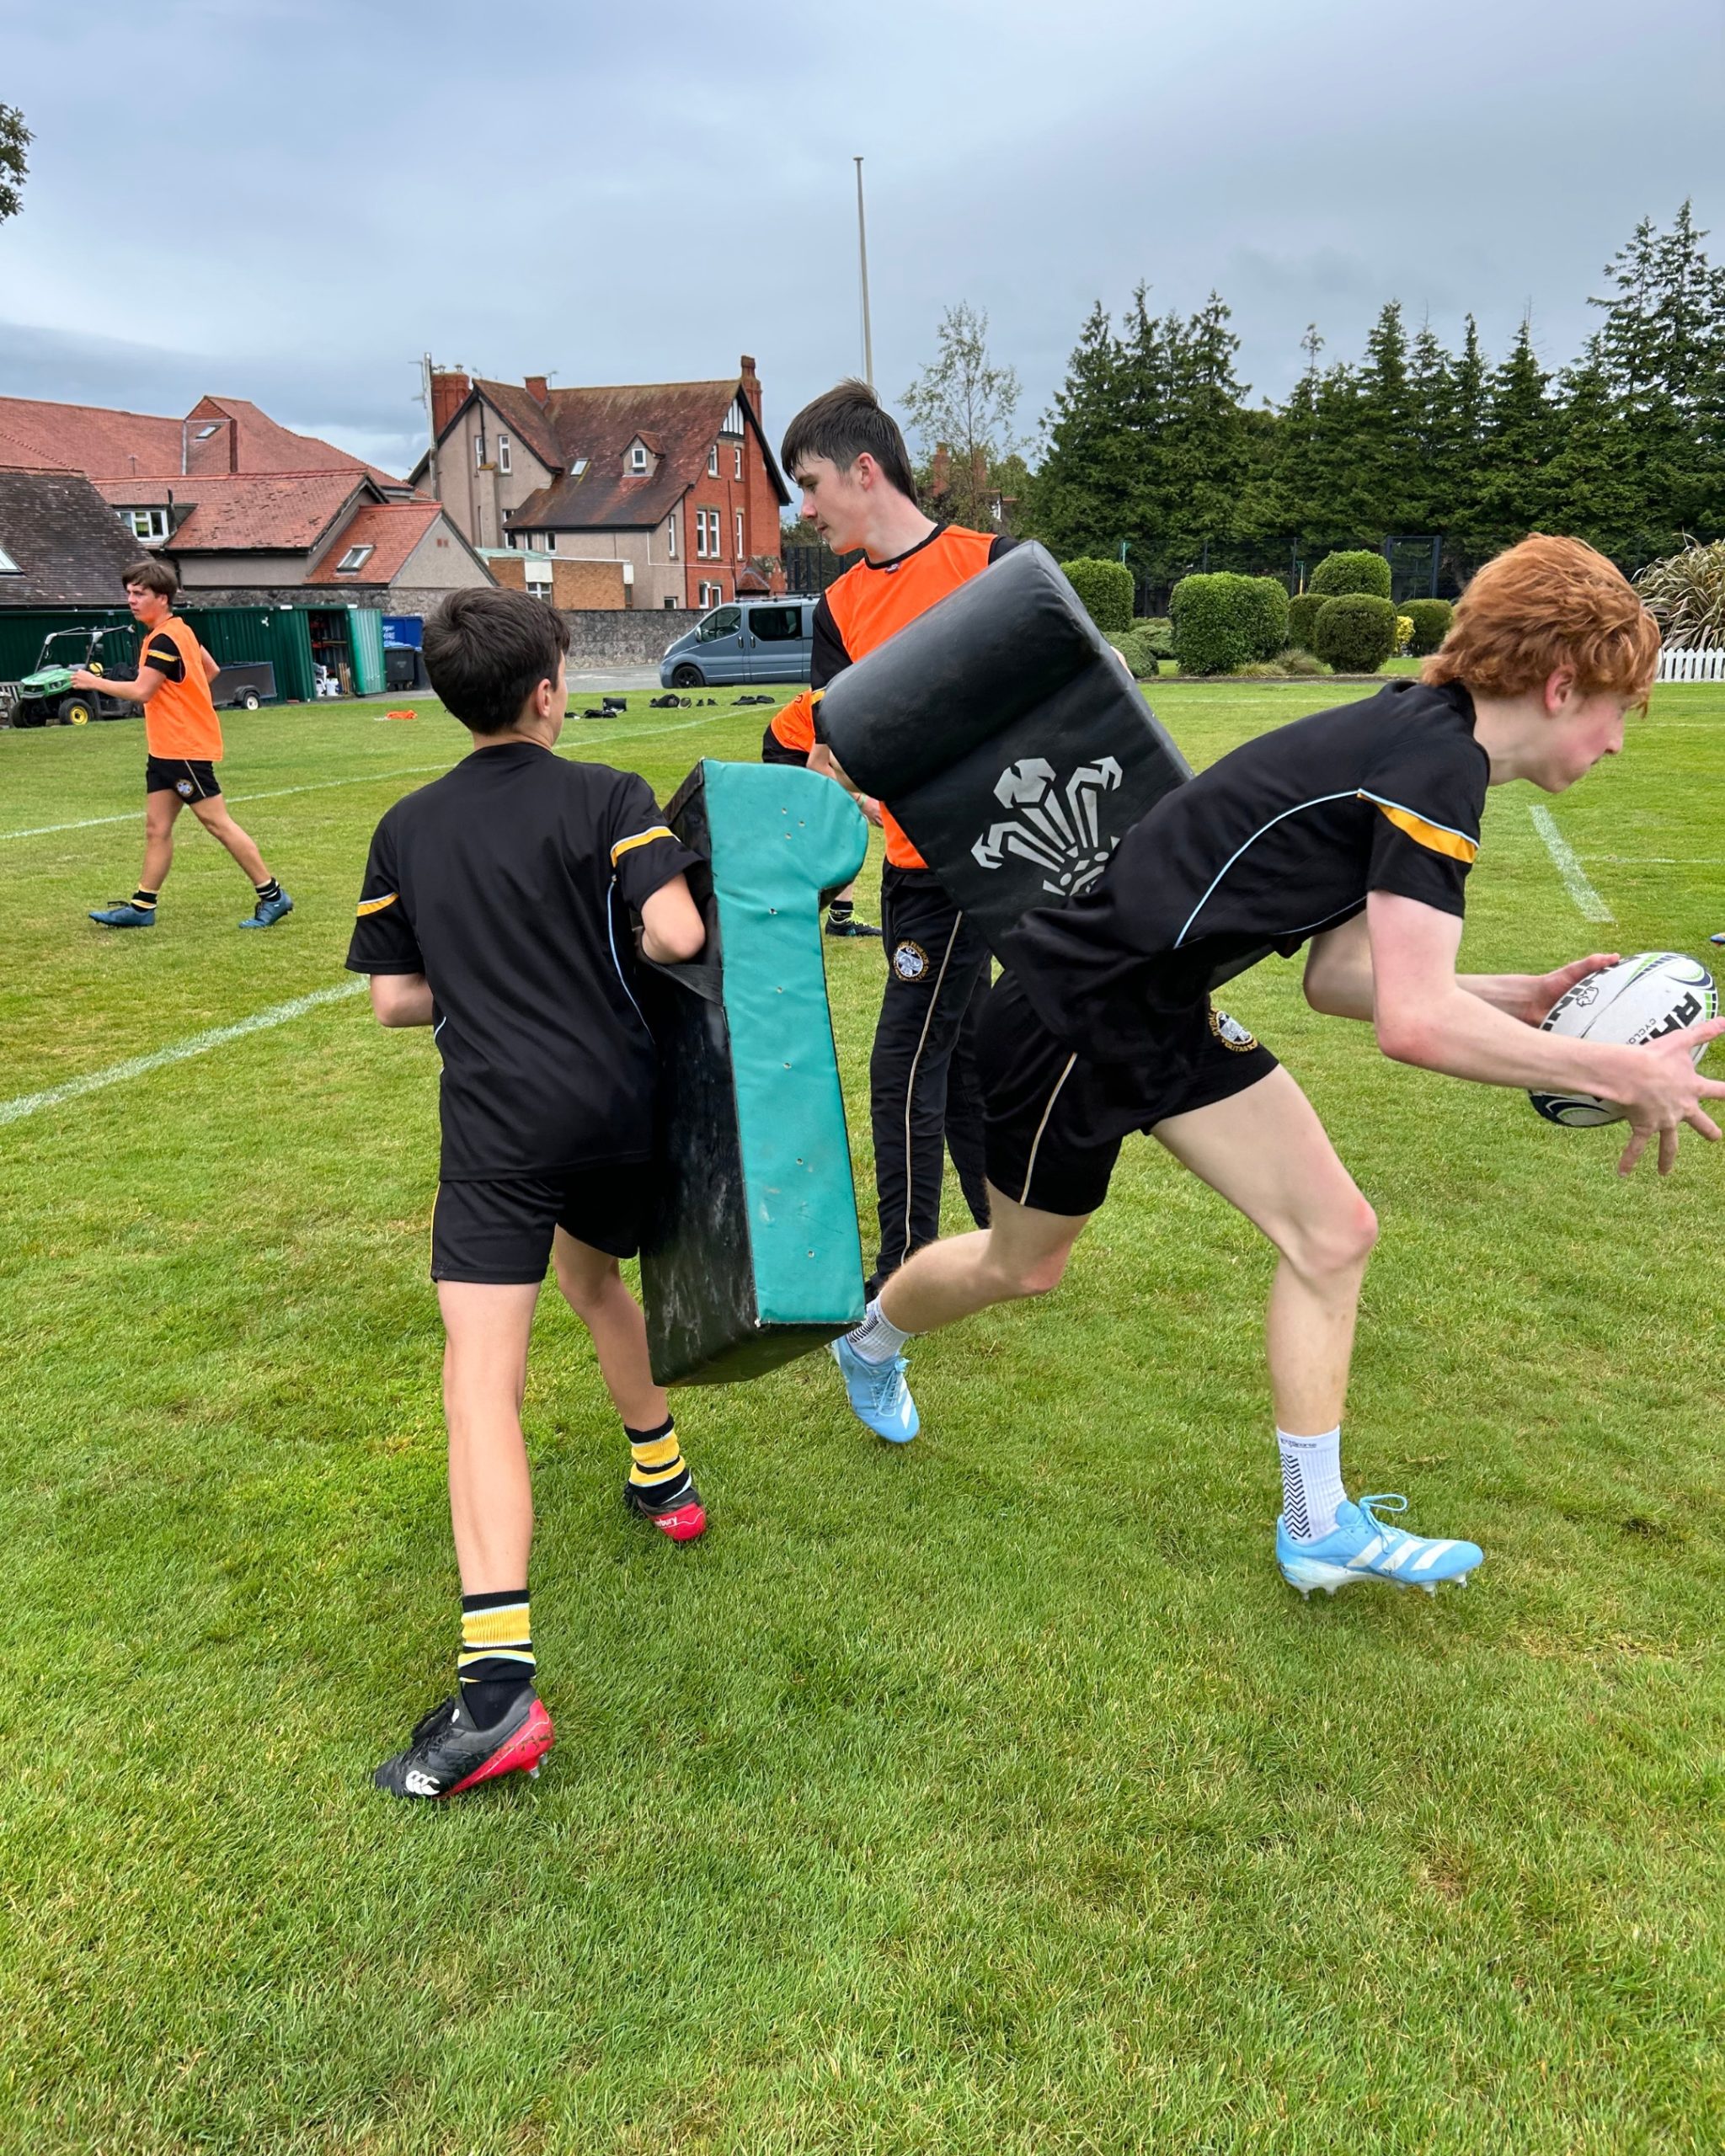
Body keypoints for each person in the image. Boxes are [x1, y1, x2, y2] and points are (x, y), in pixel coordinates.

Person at [828, 535, 1724, 1597]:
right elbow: (1413, 1025)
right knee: (1021, 1267)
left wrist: (1517, 995)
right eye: (1617, 709)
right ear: (1561, 683)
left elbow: (1340, 979)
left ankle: (1316, 1523)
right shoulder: (1432, 764)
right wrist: (1620, 1073)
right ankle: (870, 1340)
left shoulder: (1422, 736)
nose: (1616, 740)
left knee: (1334, 1232)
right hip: (1067, 1018)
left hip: (1159, 1013)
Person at [346, 587, 708, 1801]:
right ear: (548, 691)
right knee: (593, 1280)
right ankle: (663, 1477)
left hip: (501, 1127)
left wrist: (483, 973)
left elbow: (394, 1001)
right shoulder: (608, 794)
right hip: (614, 1109)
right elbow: (675, 935)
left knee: (479, 1382)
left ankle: (497, 1692)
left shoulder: (406, 826)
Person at [783, 379, 1015, 1296]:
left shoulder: (991, 562)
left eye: (810, 485)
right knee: (957, 1061)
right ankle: (1007, 1230)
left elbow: (1079, 677)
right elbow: (832, 751)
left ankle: (902, 1276)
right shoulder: (838, 606)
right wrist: (842, 808)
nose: (804, 511)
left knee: (903, 1065)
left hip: (981, 864)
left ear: (863, 470)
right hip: (908, 869)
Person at [81, 558, 291, 931]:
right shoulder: (179, 631)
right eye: (129, 593)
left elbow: (142, 691)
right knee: (156, 828)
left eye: (139, 593)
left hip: (183, 750)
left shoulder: (165, 638)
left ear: (162, 598)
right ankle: (142, 906)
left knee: (217, 823)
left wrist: (93, 682)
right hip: (165, 750)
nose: (131, 600)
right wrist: (184, 698)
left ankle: (273, 895)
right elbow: (210, 670)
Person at [761, 686, 882, 937]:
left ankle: (840, 916)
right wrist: (863, 801)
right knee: (807, 830)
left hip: (810, 743)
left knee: (846, 820)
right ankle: (779, 912)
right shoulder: (835, 703)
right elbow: (818, 764)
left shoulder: (870, 695)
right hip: (787, 747)